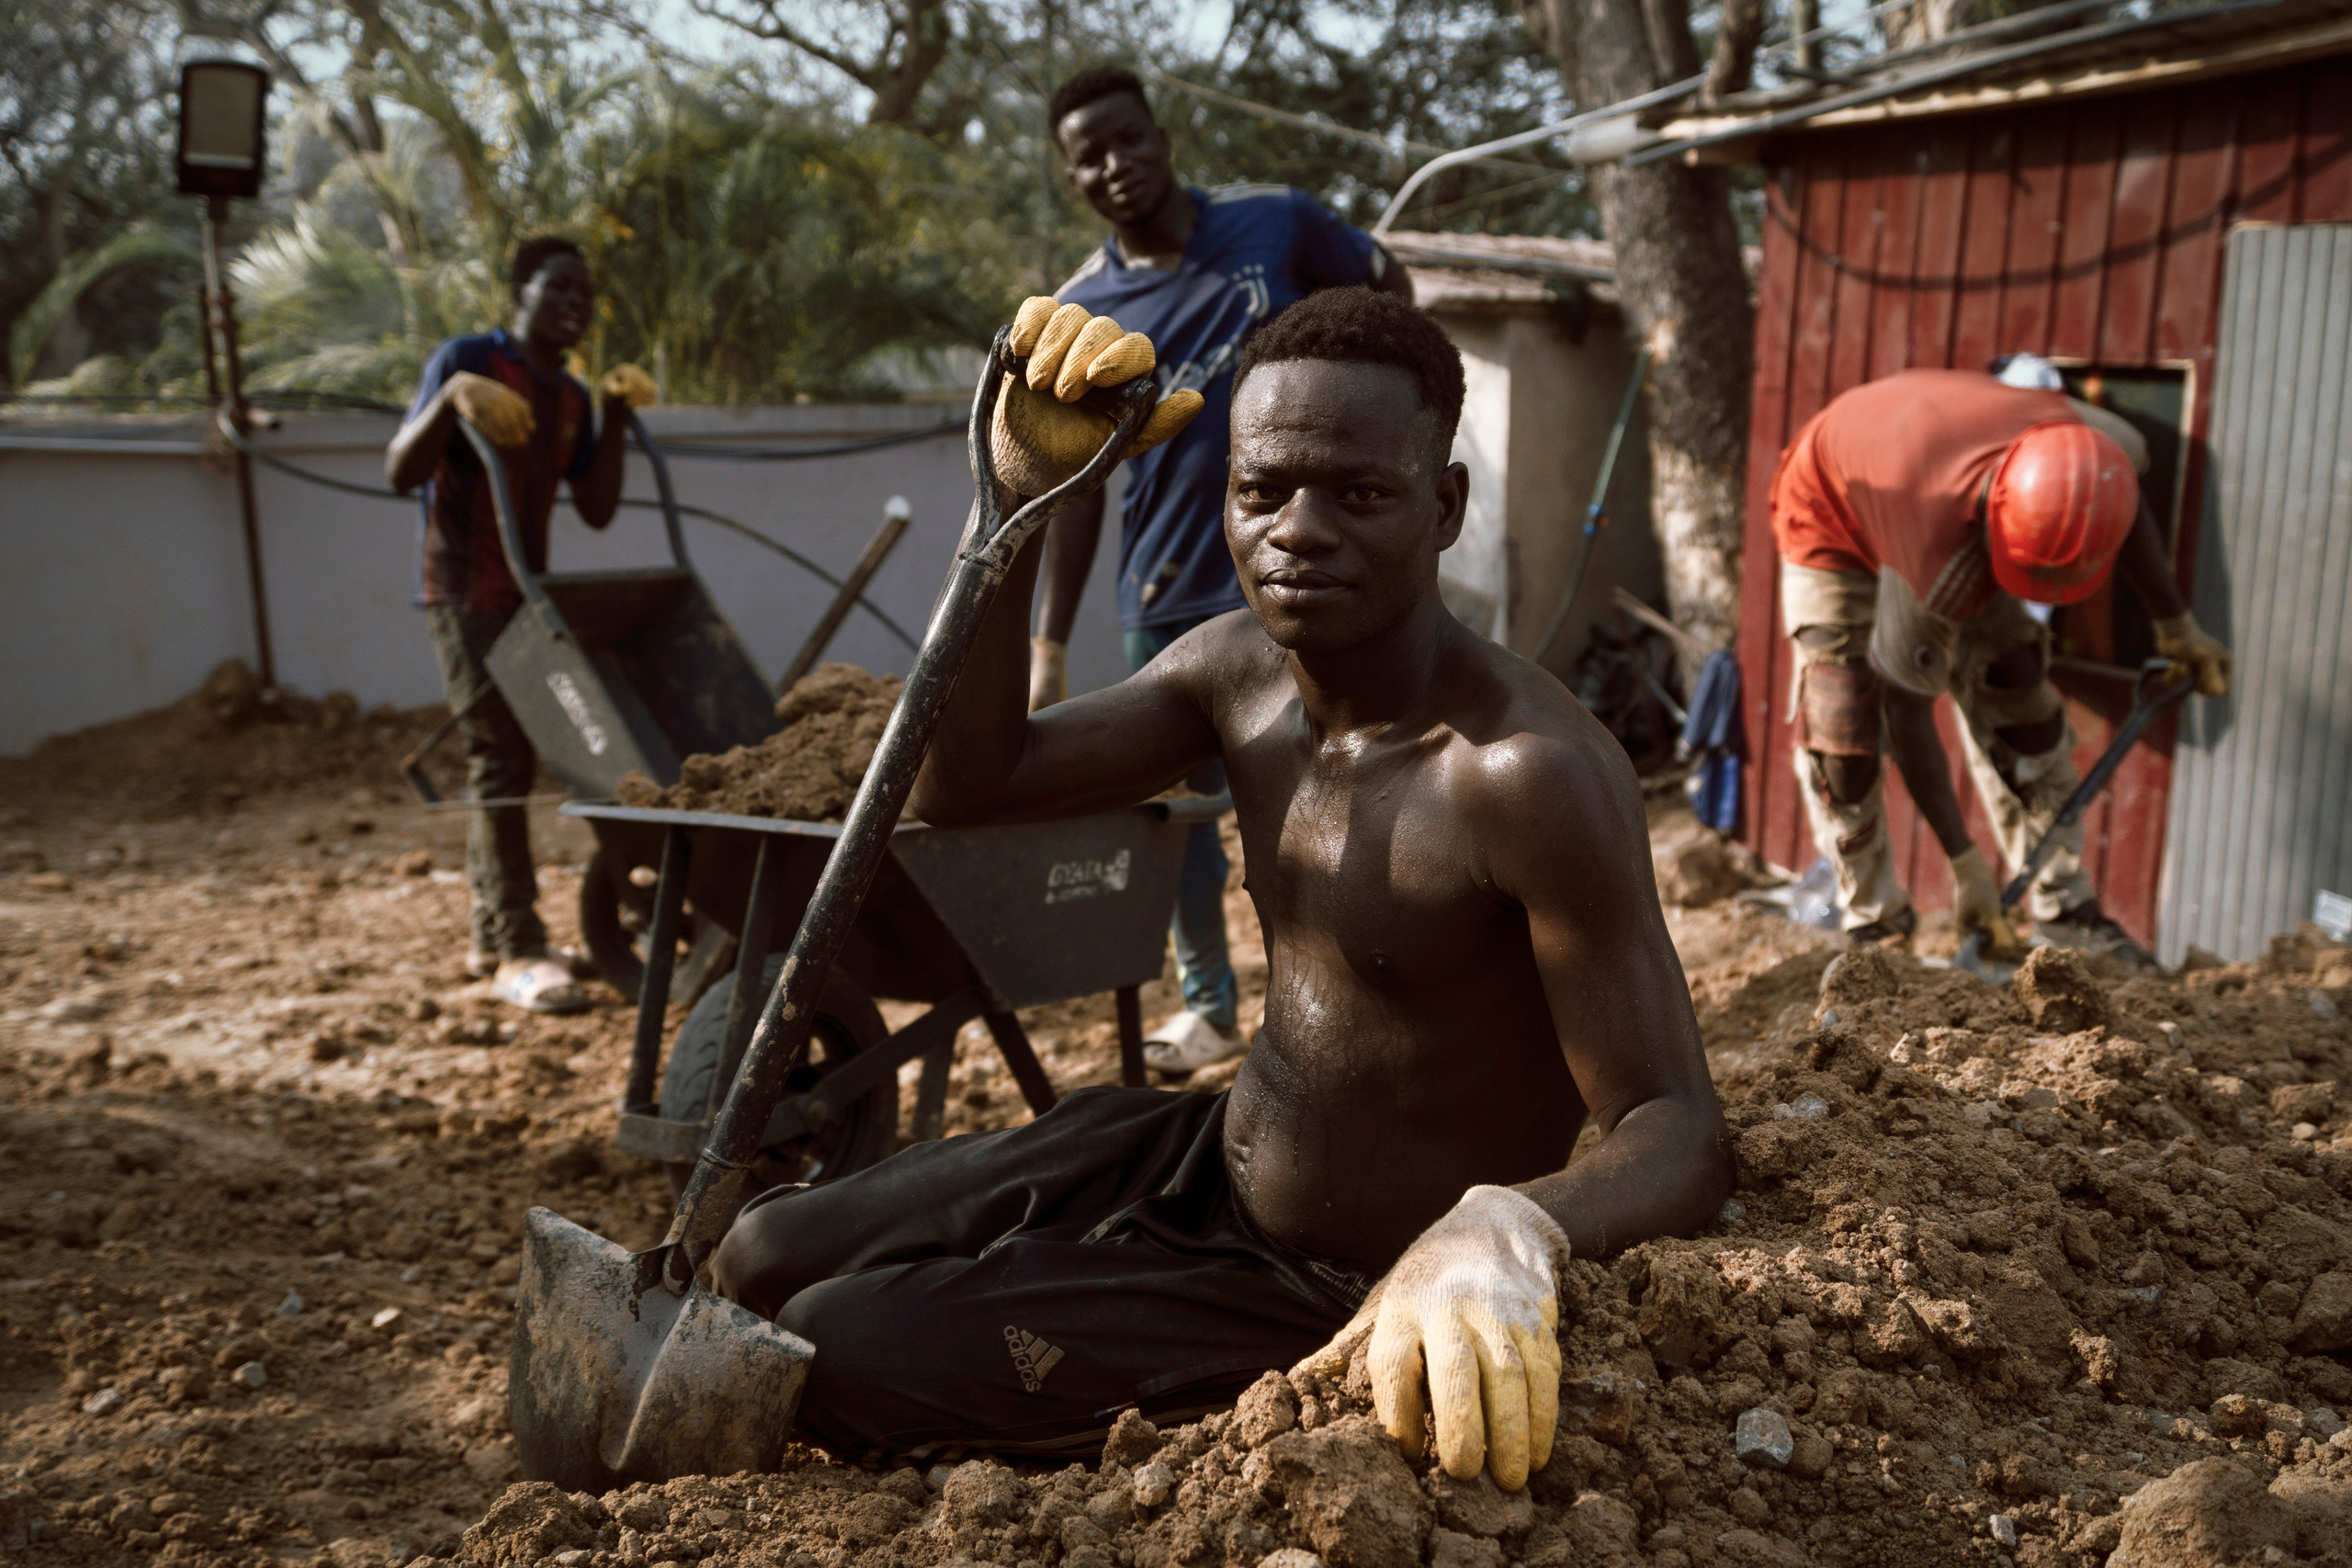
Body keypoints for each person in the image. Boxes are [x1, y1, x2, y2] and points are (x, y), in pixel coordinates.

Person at [710, 288, 1733, 1490]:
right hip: (1199, 1153)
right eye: (1264, 490)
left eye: (1360, 493)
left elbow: (1679, 1124)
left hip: (1328, 1277)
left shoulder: (1524, 774)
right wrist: (1014, 508)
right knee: (761, 1247)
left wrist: (1512, 1222)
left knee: (828, 1343)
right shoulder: (1235, 671)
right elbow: (968, 780)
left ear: (1444, 506)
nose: (1300, 530)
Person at [1027, 65, 1416, 1075]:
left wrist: (1404, 442)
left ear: (1161, 134)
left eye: (1125, 139)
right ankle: (1206, 1005)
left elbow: (1389, 298)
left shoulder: (1277, 225)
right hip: (1168, 593)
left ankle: (1364, 990)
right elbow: (1072, 489)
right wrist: (1046, 646)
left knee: (1354, 786)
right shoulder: (1083, 308)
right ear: (1070, 177)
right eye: (1087, 157)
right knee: (1177, 823)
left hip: (1314, 577)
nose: (1114, 167)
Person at [1769, 363, 2233, 957]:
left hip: (1955, 481)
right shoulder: (1934, 556)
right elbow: (1907, 712)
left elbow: (2122, 496)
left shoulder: (2098, 446)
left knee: (2021, 700)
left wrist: (2177, 626)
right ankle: (1876, 925)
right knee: (1846, 732)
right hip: (1832, 514)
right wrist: (1966, 866)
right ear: (1999, 526)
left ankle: (2065, 908)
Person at [385, 234, 658, 1013]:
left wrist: (612, 415)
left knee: (511, 762)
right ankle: (518, 950)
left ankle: (492, 934)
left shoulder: (569, 395)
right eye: (558, 286)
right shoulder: (468, 359)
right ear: (521, 291)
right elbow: (401, 470)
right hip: (465, 592)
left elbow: (599, 510)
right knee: (498, 763)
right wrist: (449, 400)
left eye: (585, 292)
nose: (575, 302)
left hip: (528, 598)